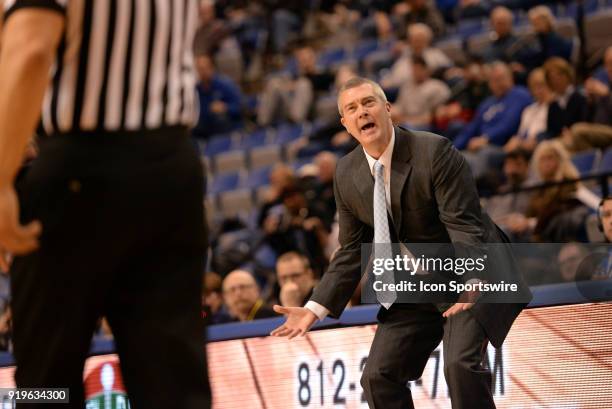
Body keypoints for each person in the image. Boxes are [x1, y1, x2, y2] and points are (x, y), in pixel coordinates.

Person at [271, 77, 530, 409]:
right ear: (345, 125)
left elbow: (463, 223)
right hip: (417, 286)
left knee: (459, 366)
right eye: (352, 108)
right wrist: (313, 309)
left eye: (369, 103)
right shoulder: (346, 173)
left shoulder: (434, 151)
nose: (362, 112)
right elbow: (352, 249)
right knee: (378, 376)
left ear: (387, 109)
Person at [0, 2, 210, 408]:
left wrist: (2, 177)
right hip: (173, 168)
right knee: (174, 383)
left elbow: (30, 49)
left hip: (77, 172)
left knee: (44, 385)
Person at [454, 62, 532, 179]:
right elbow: (471, 128)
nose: (499, 83)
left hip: (503, 146)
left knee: (484, 154)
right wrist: (451, 149)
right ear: (489, 83)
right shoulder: (487, 103)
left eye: (501, 78)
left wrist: (485, 139)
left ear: (510, 77)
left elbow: (509, 124)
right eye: (494, 80)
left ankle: (479, 193)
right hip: (480, 146)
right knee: (457, 158)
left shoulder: (520, 95)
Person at [192, 54, 244, 139]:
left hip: (228, 128)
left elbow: (241, 107)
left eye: (205, 68)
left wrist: (225, 107)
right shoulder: (196, 90)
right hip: (205, 130)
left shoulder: (225, 84)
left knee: (220, 117)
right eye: (200, 69)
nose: (203, 72)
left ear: (212, 68)